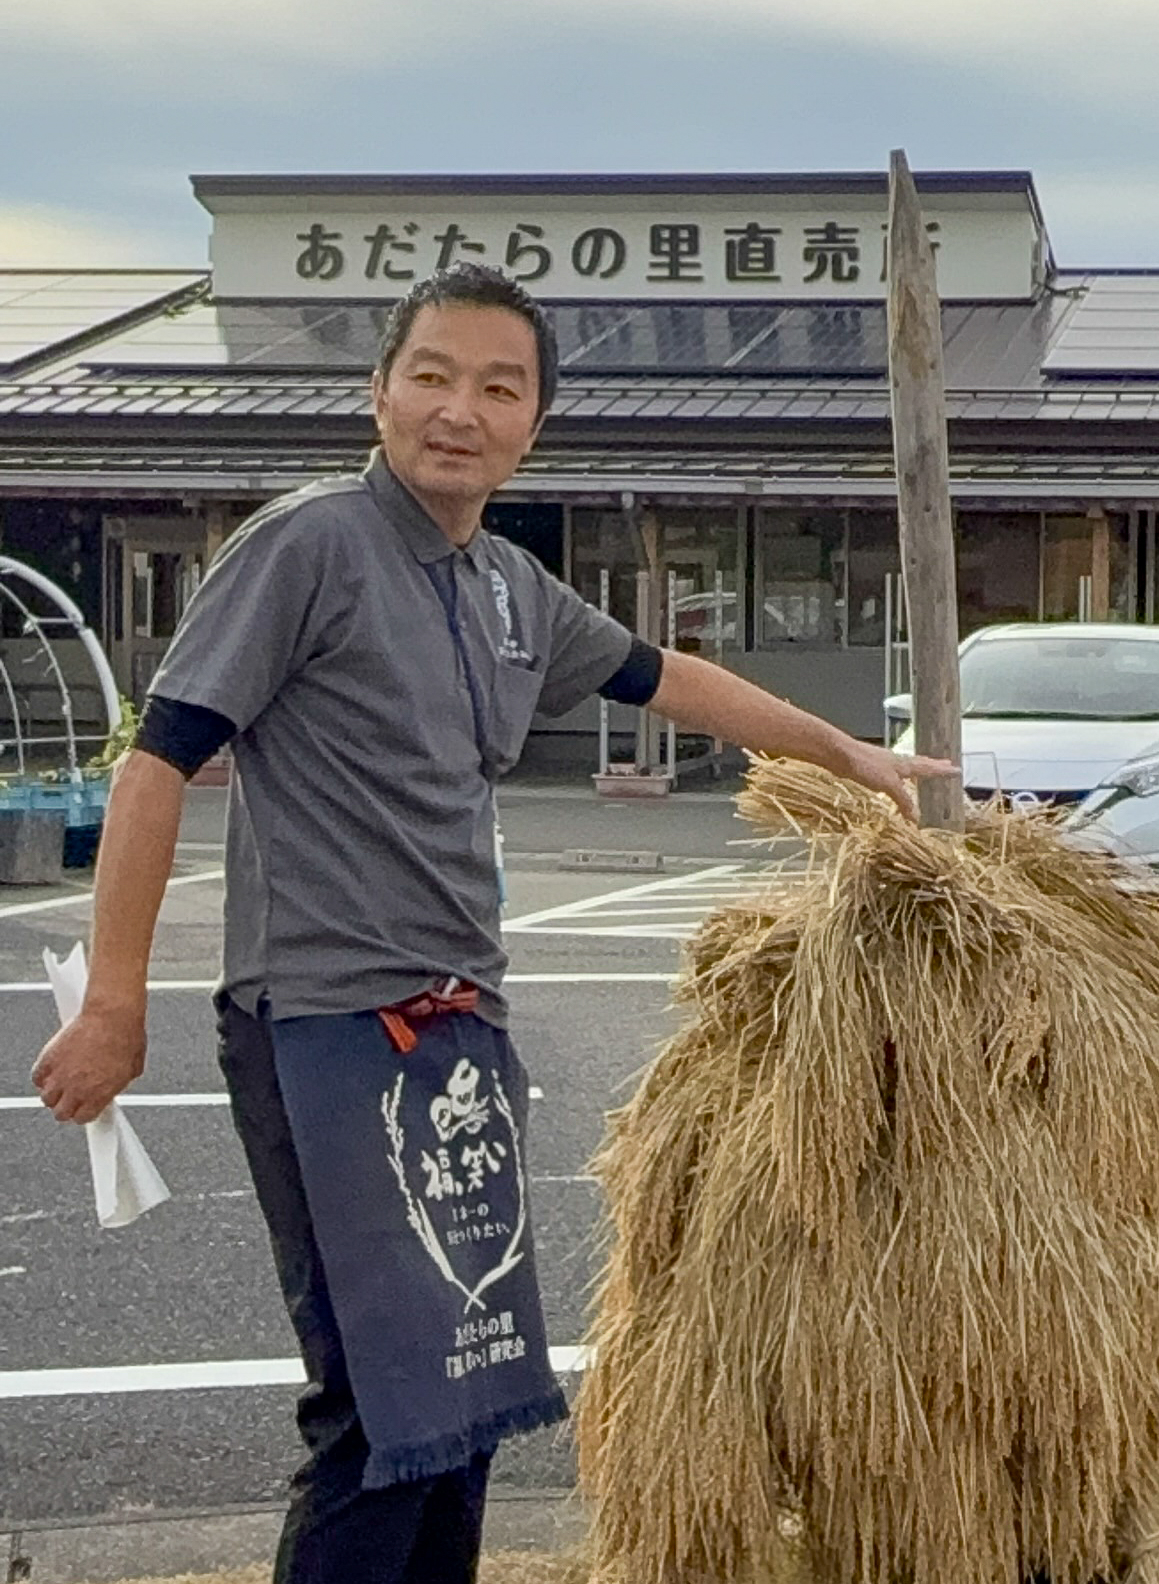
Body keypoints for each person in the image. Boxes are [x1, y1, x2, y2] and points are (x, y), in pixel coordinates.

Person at [30, 262, 953, 1584]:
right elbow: (156, 761)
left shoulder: (512, 587)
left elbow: (664, 675)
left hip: (458, 1033)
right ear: (380, 393)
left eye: (498, 387)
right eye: (433, 376)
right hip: (328, 1026)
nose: (459, 409)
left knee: (460, 1403)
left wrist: (843, 753)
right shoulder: (307, 546)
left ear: (532, 425)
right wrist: (118, 999)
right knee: (376, 1417)